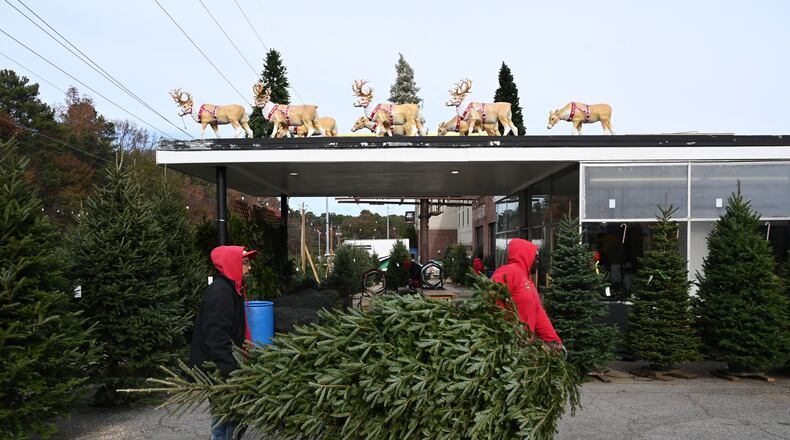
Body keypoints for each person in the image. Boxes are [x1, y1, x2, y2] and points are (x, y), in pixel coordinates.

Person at [189, 245, 257, 440]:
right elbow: (216, 339)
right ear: (231, 264)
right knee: (226, 423)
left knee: (237, 421)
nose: (249, 267)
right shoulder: (220, 293)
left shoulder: (232, 288)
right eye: (245, 263)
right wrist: (233, 372)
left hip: (228, 366)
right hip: (219, 370)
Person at [491, 238, 561, 344]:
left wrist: (554, 341)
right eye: (535, 257)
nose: (537, 261)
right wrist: (512, 328)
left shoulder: (528, 281)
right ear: (526, 256)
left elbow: (539, 315)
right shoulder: (509, 271)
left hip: (524, 345)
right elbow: (492, 298)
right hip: (508, 344)